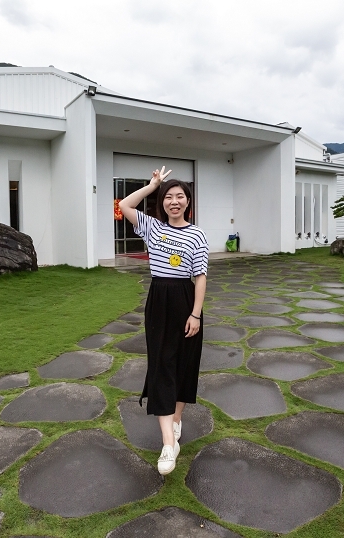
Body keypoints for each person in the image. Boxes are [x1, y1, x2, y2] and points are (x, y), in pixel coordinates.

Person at [118, 166, 208, 475]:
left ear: (188, 202)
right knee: (161, 365)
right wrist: (152, 185)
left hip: (185, 300)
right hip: (159, 300)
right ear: (162, 202)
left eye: (180, 196)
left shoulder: (197, 234)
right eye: (168, 197)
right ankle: (169, 445)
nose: (174, 201)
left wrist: (195, 314)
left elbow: (200, 277)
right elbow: (124, 206)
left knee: (183, 364)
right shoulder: (152, 228)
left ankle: (177, 420)